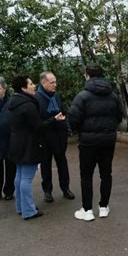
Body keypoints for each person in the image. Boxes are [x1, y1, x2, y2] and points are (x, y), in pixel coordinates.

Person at [68, 63, 123, 221]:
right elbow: (119, 116)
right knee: (106, 174)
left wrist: (80, 131)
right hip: (108, 141)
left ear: (87, 75)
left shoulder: (82, 96)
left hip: (88, 143)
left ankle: (87, 211)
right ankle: (104, 207)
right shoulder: (113, 95)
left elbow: (73, 119)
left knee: (86, 175)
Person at [8, 75, 65, 220]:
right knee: (26, 178)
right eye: (31, 84)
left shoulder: (13, 102)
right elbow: (38, 126)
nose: (34, 85)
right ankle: (29, 210)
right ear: (23, 88)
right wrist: (54, 119)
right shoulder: (28, 105)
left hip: (16, 143)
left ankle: (21, 207)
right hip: (28, 145)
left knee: (19, 176)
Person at [35, 71, 75, 203]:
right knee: (46, 165)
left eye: (55, 82)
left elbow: (62, 110)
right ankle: (47, 191)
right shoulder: (36, 98)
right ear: (43, 82)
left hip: (59, 135)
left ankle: (66, 188)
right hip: (45, 137)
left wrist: (63, 117)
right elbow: (38, 121)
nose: (55, 85)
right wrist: (54, 119)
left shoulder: (57, 95)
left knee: (62, 163)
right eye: (52, 82)